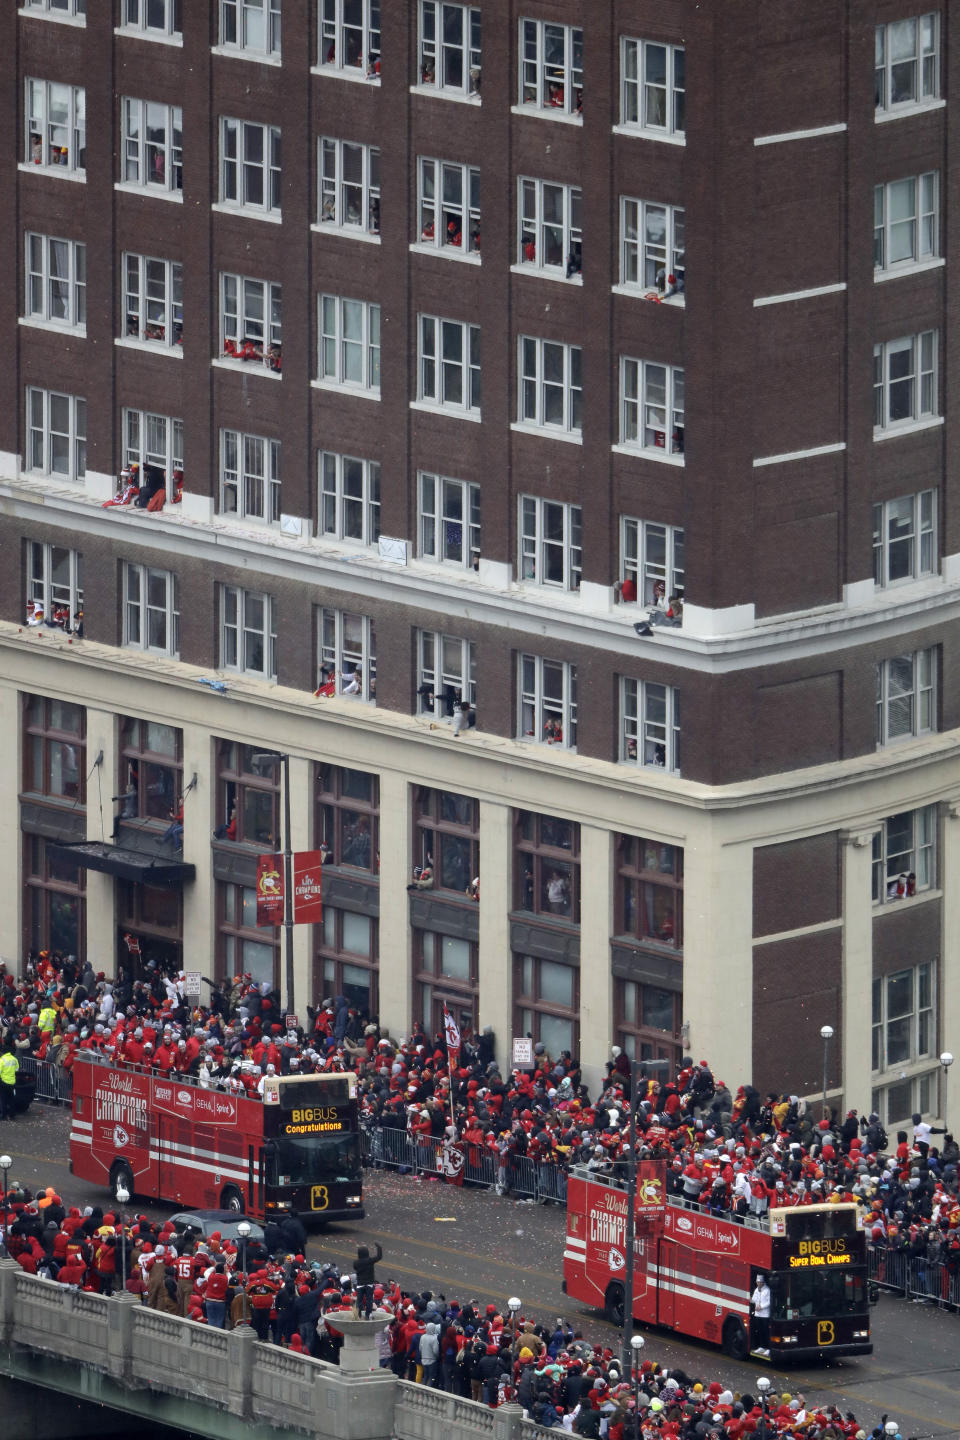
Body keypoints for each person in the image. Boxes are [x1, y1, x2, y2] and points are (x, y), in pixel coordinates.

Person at [354, 1241, 383, 1317]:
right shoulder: (370, 1261)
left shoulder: (356, 1262)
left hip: (360, 1285)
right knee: (369, 1300)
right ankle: (368, 1315)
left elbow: (355, 1268)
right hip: (369, 1284)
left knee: (359, 1301)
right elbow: (379, 1257)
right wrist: (379, 1247)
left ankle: (359, 1315)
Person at [750, 1272, 771, 1357]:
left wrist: (761, 1307)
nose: (758, 1284)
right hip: (757, 1315)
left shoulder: (767, 1290)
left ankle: (768, 1348)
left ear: (763, 1282)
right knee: (760, 1331)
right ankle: (762, 1347)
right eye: (757, 1282)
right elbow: (754, 1300)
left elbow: (769, 1302)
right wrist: (750, 1299)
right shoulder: (756, 1290)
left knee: (766, 1332)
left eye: (760, 1282)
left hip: (765, 1315)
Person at [0, 1047, 19, 1120]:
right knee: (11, 1099)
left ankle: (3, 1116)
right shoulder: (14, 1059)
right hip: (12, 1082)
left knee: (3, 1100)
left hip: (3, 1082)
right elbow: (17, 1069)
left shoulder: (2, 1060)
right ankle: (12, 1115)